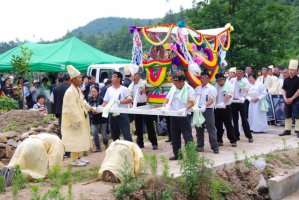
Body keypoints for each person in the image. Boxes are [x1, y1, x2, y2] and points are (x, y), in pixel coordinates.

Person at [61, 65, 95, 167]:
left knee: (80, 139)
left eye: (81, 77)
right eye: (79, 78)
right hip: (74, 121)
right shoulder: (70, 92)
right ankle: (74, 160)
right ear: (73, 80)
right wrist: (76, 120)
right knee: (75, 140)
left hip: (81, 118)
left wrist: (91, 108)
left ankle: (79, 157)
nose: (81, 79)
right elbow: (69, 109)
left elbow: (82, 102)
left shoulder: (78, 90)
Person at [163, 74, 195, 160]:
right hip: (174, 115)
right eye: (174, 82)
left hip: (184, 115)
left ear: (182, 81)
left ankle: (191, 155)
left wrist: (185, 108)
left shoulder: (189, 89)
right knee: (174, 136)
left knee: (187, 136)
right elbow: (167, 99)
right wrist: (165, 107)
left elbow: (192, 102)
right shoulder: (173, 88)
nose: (175, 84)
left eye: (176, 82)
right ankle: (177, 155)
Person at [129, 72, 158, 150]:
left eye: (135, 75)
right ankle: (140, 142)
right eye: (133, 75)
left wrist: (145, 90)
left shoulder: (144, 83)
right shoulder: (131, 86)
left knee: (149, 124)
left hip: (145, 104)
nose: (134, 77)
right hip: (136, 105)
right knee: (138, 125)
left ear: (139, 75)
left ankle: (154, 142)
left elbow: (148, 91)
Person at [100, 71, 133, 142]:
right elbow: (105, 102)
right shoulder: (109, 89)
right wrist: (99, 109)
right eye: (112, 77)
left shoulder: (124, 89)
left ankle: (130, 149)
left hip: (122, 114)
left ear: (119, 79)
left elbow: (130, 99)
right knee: (114, 134)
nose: (112, 78)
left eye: (114, 77)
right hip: (112, 114)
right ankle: (117, 149)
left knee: (126, 134)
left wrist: (119, 101)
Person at [195, 72, 220, 153]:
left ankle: (215, 147)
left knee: (211, 128)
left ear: (208, 78)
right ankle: (200, 146)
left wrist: (205, 105)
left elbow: (212, 99)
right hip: (198, 110)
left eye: (204, 77)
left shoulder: (212, 88)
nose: (202, 79)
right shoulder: (197, 88)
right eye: (201, 77)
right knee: (199, 128)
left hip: (208, 110)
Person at [214, 73, 239, 146]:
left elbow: (229, 94)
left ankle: (233, 140)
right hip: (217, 107)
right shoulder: (216, 86)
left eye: (221, 79)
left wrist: (223, 103)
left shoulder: (229, 86)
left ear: (224, 79)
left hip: (226, 107)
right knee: (218, 125)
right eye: (218, 80)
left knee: (228, 124)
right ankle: (219, 140)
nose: (220, 81)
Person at [231, 69, 253, 141]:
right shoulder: (233, 80)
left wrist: (243, 96)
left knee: (244, 119)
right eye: (237, 73)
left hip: (242, 101)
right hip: (234, 101)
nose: (239, 75)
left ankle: (249, 136)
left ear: (243, 74)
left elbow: (247, 90)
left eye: (240, 73)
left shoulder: (245, 81)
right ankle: (236, 135)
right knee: (235, 120)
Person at [279, 60, 299, 137]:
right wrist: (285, 98)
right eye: (290, 70)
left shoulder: (298, 79)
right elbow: (284, 89)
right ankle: (287, 130)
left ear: (296, 71)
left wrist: (292, 98)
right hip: (287, 100)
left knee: (297, 115)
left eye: (293, 70)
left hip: (296, 100)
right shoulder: (286, 80)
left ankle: (298, 130)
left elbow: (298, 90)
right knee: (287, 115)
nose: (291, 72)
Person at [88, 86, 109, 152]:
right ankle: (98, 147)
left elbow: (104, 107)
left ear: (98, 92)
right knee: (94, 133)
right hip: (93, 119)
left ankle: (106, 143)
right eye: (92, 91)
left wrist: (98, 110)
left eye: (94, 91)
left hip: (102, 118)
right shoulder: (89, 99)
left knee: (104, 135)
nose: (93, 93)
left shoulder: (101, 99)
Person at [52, 74, 70, 138]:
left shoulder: (55, 89)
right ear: (69, 79)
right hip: (69, 111)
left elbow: (54, 101)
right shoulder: (71, 88)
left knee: (61, 126)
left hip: (59, 111)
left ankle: (62, 139)